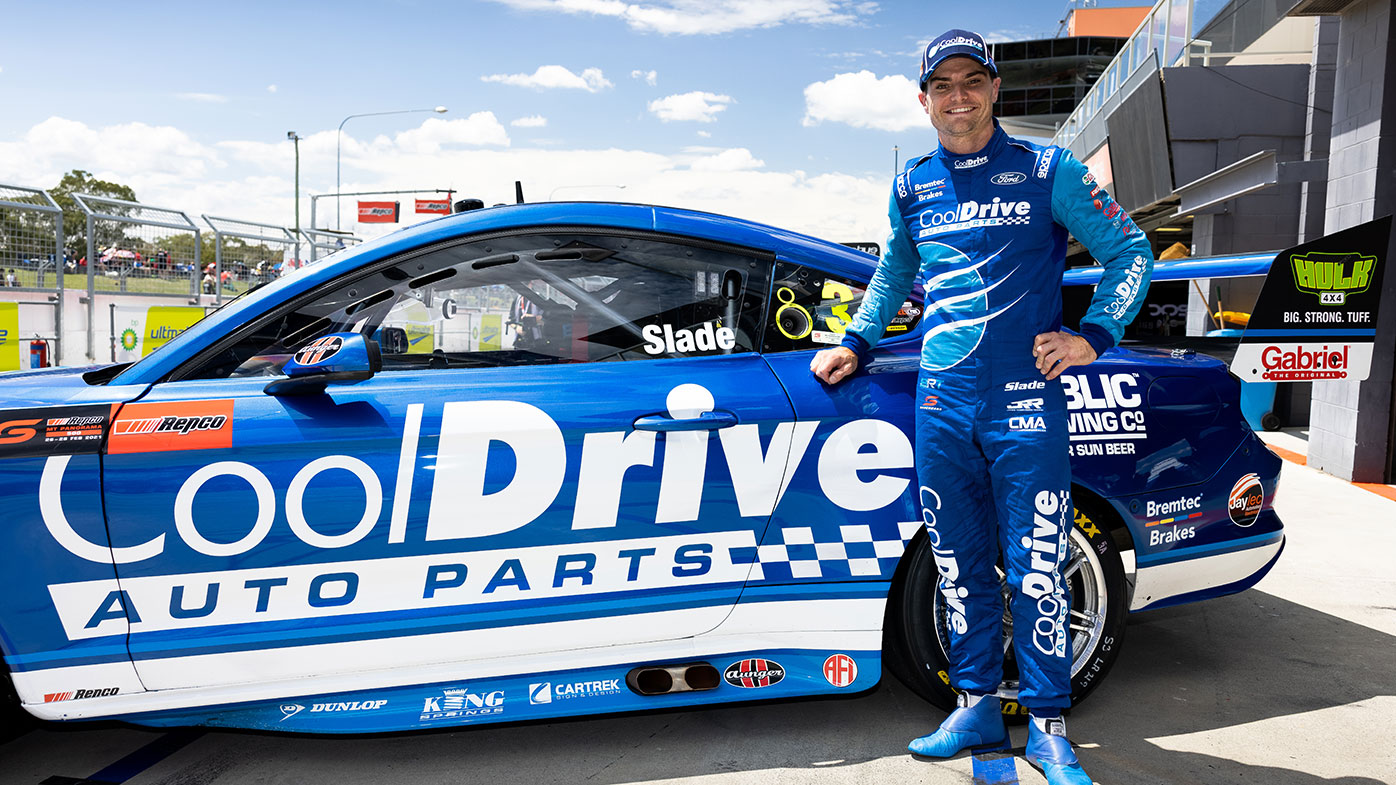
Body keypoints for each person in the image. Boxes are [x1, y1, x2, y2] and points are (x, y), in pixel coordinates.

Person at [810, 29, 1152, 785]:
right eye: (943, 85)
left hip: (1025, 399)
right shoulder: (913, 183)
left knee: (1036, 566)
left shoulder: (1049, 168)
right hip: (941, 401)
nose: (958, 97)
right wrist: (858, 342)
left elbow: (1132, 251)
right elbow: (894, 270)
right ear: (923, 99)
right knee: (959, 564)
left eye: (972, 81)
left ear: (995, 89)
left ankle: (1049, 724)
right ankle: (972, 704)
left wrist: (1093, 335)